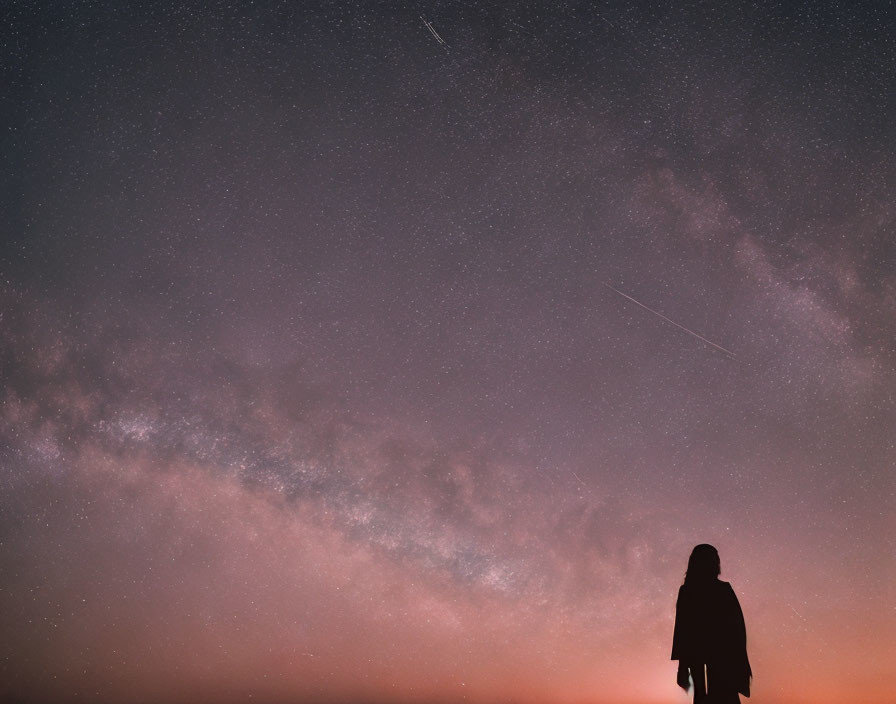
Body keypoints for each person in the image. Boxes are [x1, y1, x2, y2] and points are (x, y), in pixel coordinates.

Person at [671, 544, 752, 702]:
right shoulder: (721, 590)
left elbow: (683, 631)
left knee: (707, 696)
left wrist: (682, 666)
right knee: (723, 697)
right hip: (720, 656)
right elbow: (737, 630)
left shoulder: (688, 591)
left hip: (712, 656)